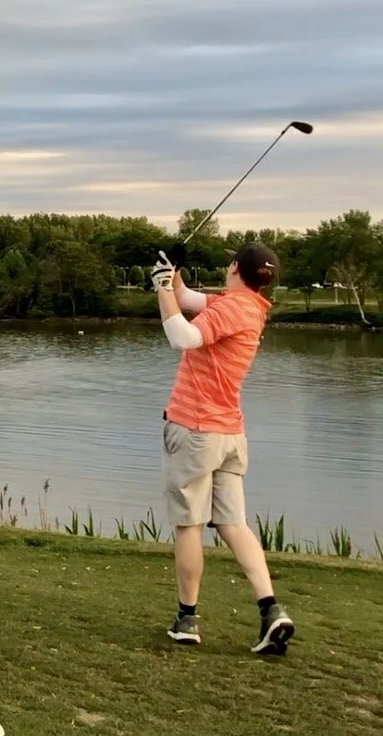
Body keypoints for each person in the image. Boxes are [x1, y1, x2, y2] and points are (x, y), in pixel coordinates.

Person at [151, 241, 295, 654]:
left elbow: (182, 336)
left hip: (195, 431)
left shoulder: (230, 308)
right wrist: (172, 272)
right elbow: (187, 298)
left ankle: (187, 619)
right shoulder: (249, 306)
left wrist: (161, 288)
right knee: (233, 524)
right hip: (229, 435)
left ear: (234, 268)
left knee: (188, 525)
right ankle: (270, 609)